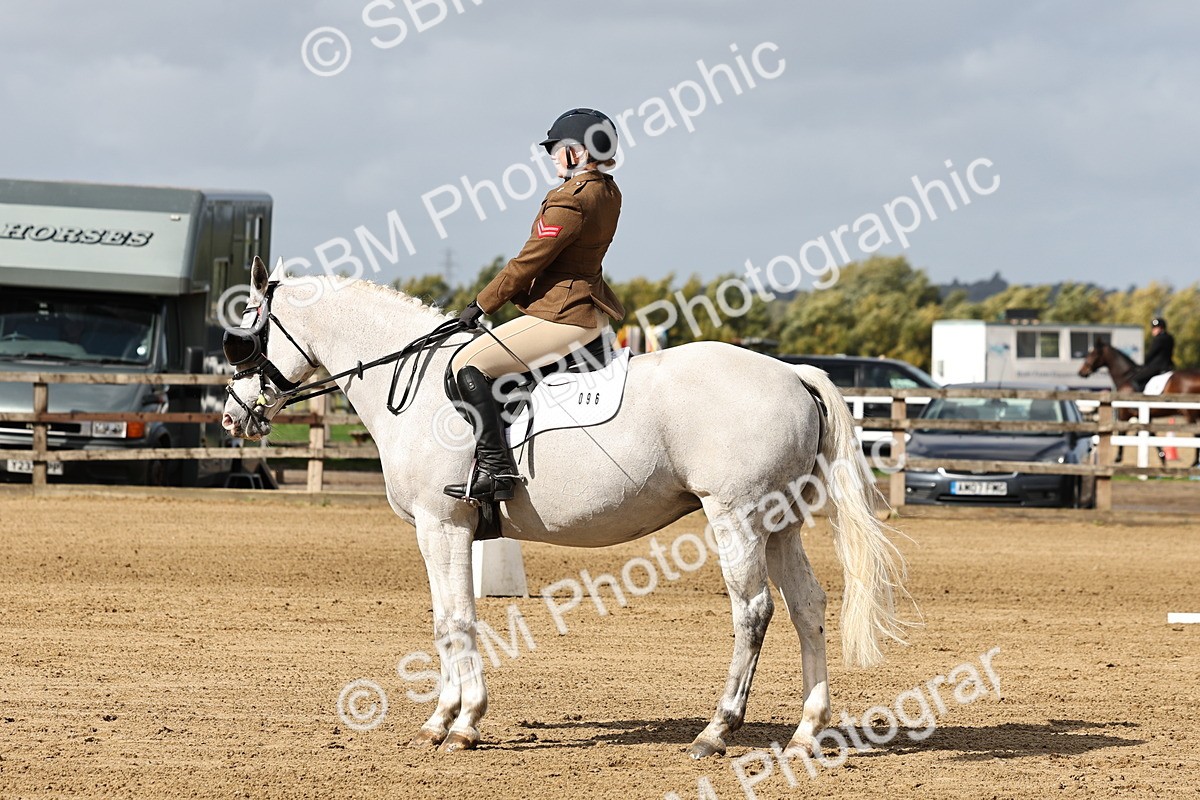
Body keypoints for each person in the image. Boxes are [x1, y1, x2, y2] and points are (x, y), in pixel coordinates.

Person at [444, 108, 627, 503]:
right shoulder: (609, 192)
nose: (551, 157)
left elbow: (528, 261)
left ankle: (496, 471)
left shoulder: (569, 200)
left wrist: (480, 305)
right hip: (593, 312)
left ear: (576, 152)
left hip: (564, 314)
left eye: (557, 149)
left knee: (467, 364)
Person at [1128, 316, 1175, 391]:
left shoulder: (1158, 339)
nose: (1153, 330)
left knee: (1135, 379)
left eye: (1156, 328)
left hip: (1156, 367)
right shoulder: (1170, 338)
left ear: (1161, 328)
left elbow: (1151, 354)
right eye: (1153, 328)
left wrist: (1143, 363)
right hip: (1169, 366)